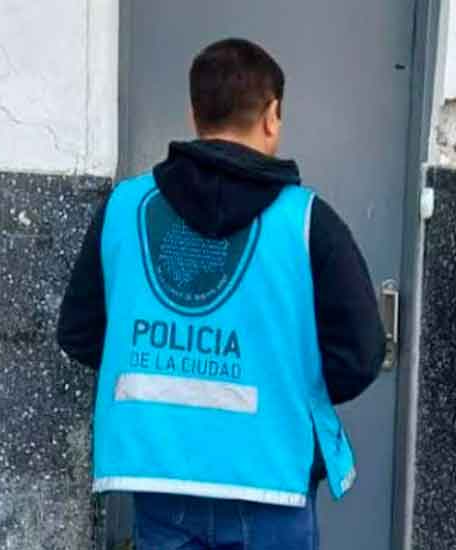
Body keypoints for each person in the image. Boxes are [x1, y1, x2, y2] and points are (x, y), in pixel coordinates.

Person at [57, 37, 385, 549]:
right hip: (273, 479)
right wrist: (281, 383)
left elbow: (79, 334)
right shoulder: (307, 222)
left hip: (160, 475)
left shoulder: (124, 208)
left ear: (195, 114)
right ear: (272, 116)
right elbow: (360, 357)